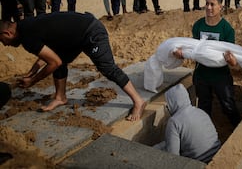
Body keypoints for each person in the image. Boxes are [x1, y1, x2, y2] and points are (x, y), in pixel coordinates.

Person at [0, 12, 146, 121]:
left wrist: (33, 81)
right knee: (60, 59)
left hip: (91, 31)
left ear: (7, 33)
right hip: (75, 36)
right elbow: (48, 53)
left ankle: (138, 101)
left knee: (107, 68)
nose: (4, 44)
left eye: (2, 40)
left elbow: (53, 62)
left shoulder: (26, 37)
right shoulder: (25, 25)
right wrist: (33, 71)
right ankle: (60, 97)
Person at [173, 0, 241, 127]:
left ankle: (238, 128)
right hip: (201, 75)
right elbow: (194, 50)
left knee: (228, 105)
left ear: (220, 7)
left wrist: (232, 61)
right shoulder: (198, 25)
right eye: (207, 4)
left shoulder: (227, 29)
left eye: (212, 4)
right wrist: (182, 53)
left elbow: (233, 60)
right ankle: (206, 133)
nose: (209, 7)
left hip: (220, 76)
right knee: (204, 107)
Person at [154, 83, 221, 163]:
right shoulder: (200, 111)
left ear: (173, 102)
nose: (167, 107)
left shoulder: (174, 122)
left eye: (168, 104)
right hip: (217, 155)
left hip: (199, 163)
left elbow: (172, 156)